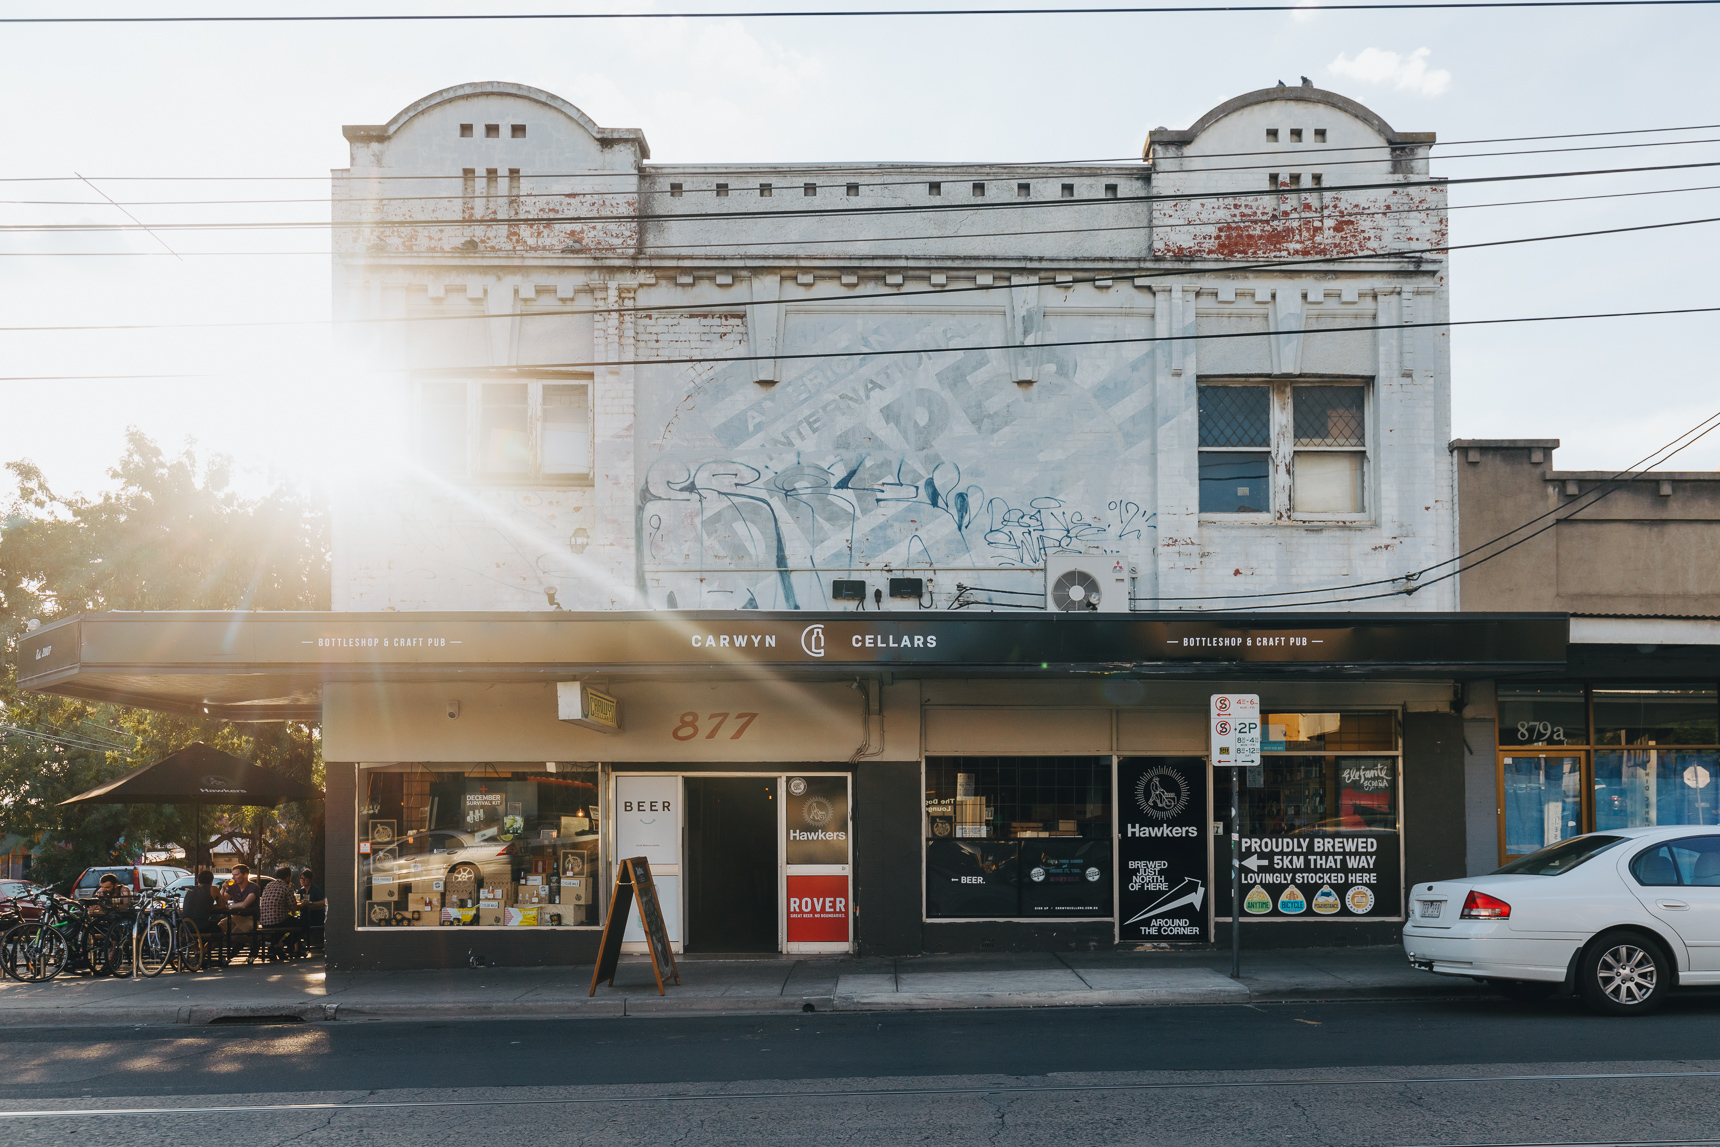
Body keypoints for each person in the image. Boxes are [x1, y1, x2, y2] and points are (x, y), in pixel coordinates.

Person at [181, 870, 225, 966]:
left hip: (185, 925)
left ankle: (196, 951)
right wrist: (209, 907)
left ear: (197, 880)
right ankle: (201, 953)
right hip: (201, 924)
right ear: (211, 881)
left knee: (191, 934)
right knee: (220, 933)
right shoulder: (213, 889)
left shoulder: (188, 890)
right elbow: (222, 906)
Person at [258, 866, 297, 960]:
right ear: (288, 877)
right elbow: (293, 908)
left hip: (264, 922)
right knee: (303, 924)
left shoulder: (268, 885)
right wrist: (304, 905)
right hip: (278, 921)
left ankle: (273, 948)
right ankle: (280, 945)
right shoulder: (286, 887)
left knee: (281, 923)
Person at [222, 865, 259, 958]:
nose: (233, 878)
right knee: (219, 930)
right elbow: (222, 900)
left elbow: (244, 905)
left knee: (234, 936)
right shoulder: (233, 886)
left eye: (236, 875)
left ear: (245, 875)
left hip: (250, 918)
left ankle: (255, 943)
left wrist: (231, 906)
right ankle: (238, 944)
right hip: (235, 917)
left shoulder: (253, 887)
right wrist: (223, 889)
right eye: (232, 875)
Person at [298, 869, 326, 948]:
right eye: (301, 879)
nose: (303, 881)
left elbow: (323, 902)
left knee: (302, 925)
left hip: (316, 916)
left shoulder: (316, 890)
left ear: (310, 879)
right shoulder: (301, 891)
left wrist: (311, 903)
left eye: (305, 879)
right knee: (298, 924)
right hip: (304, 916)